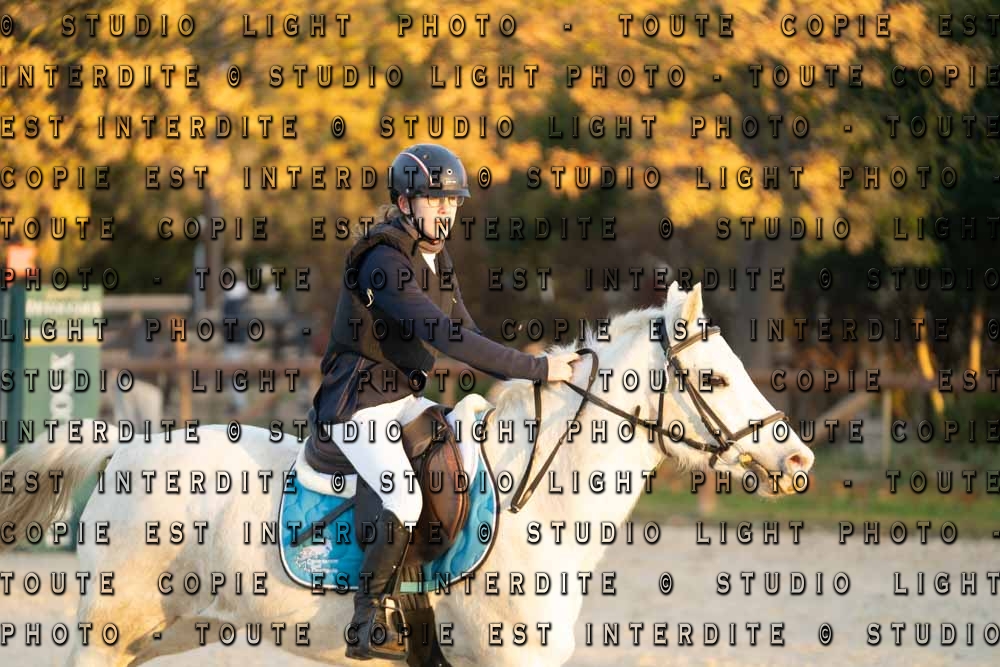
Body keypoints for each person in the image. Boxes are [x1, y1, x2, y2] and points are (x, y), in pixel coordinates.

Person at [304, 144, 578, 661]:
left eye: (453, 201)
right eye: (435, 199)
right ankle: (366, 620)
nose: (447, 209)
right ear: (404, 202)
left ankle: (429, 598)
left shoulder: (437, 256)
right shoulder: (383, 261)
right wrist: (537, 369)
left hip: (401, 400)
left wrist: (533, 371)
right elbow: (444, 335)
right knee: (404, 497)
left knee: (463, 459)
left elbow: (467, 330)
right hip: (356, 405)